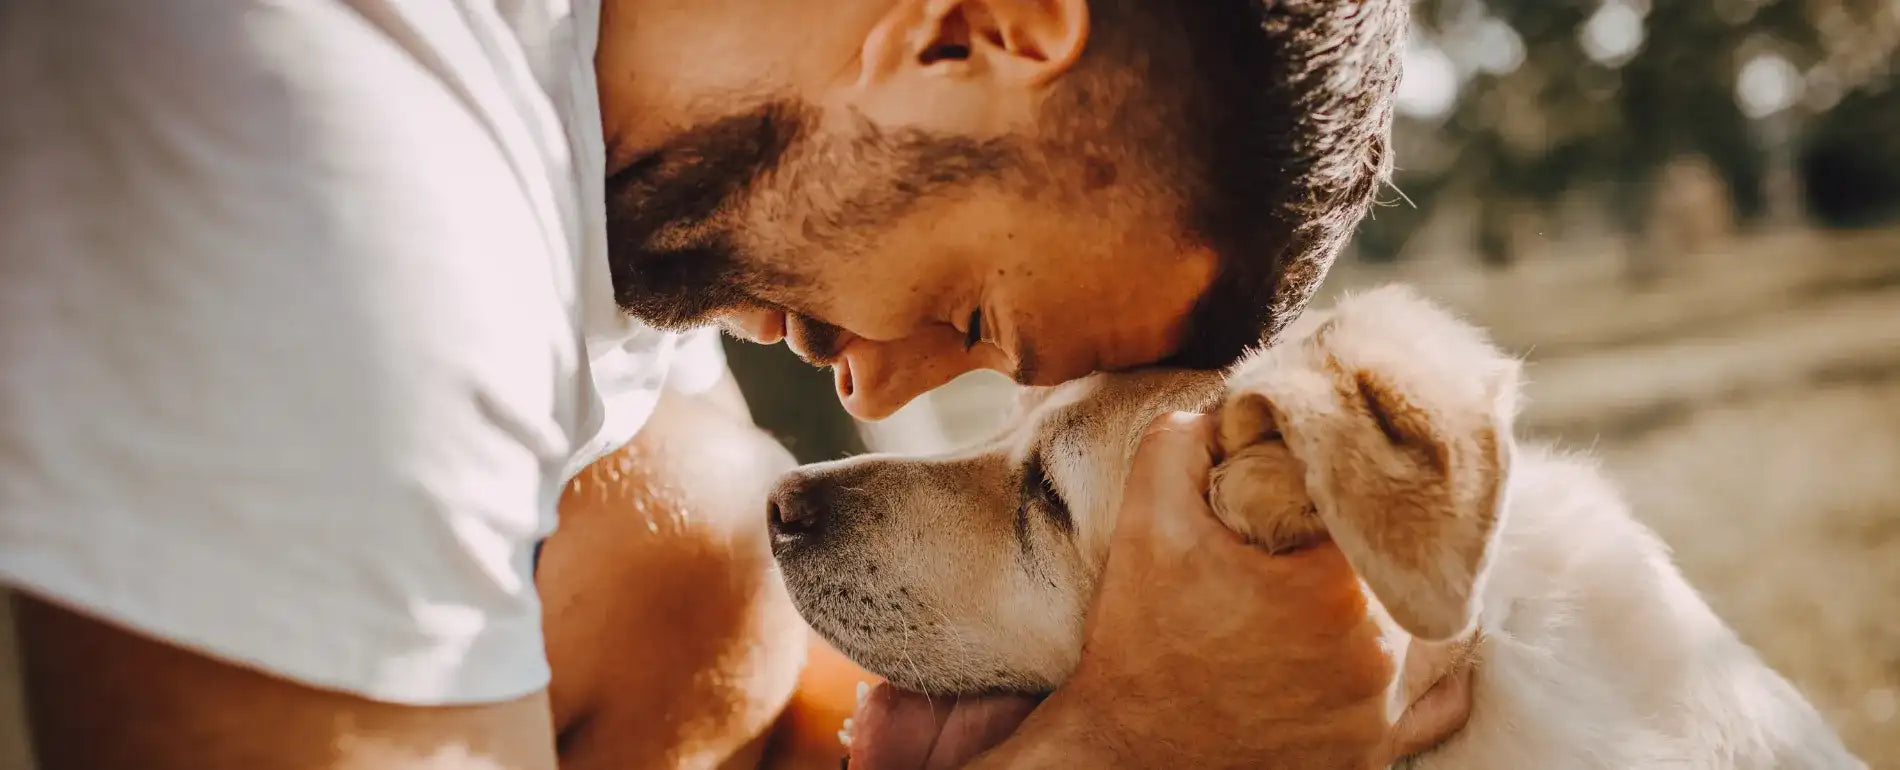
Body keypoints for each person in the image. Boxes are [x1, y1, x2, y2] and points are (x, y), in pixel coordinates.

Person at [0, 1, 1425, 768]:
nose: (871, 387)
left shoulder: (609, 162)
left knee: (696, 539)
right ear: (972, 31)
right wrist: (1129, 753)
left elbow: (760, 705)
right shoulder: (345, 159)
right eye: (968, 307)